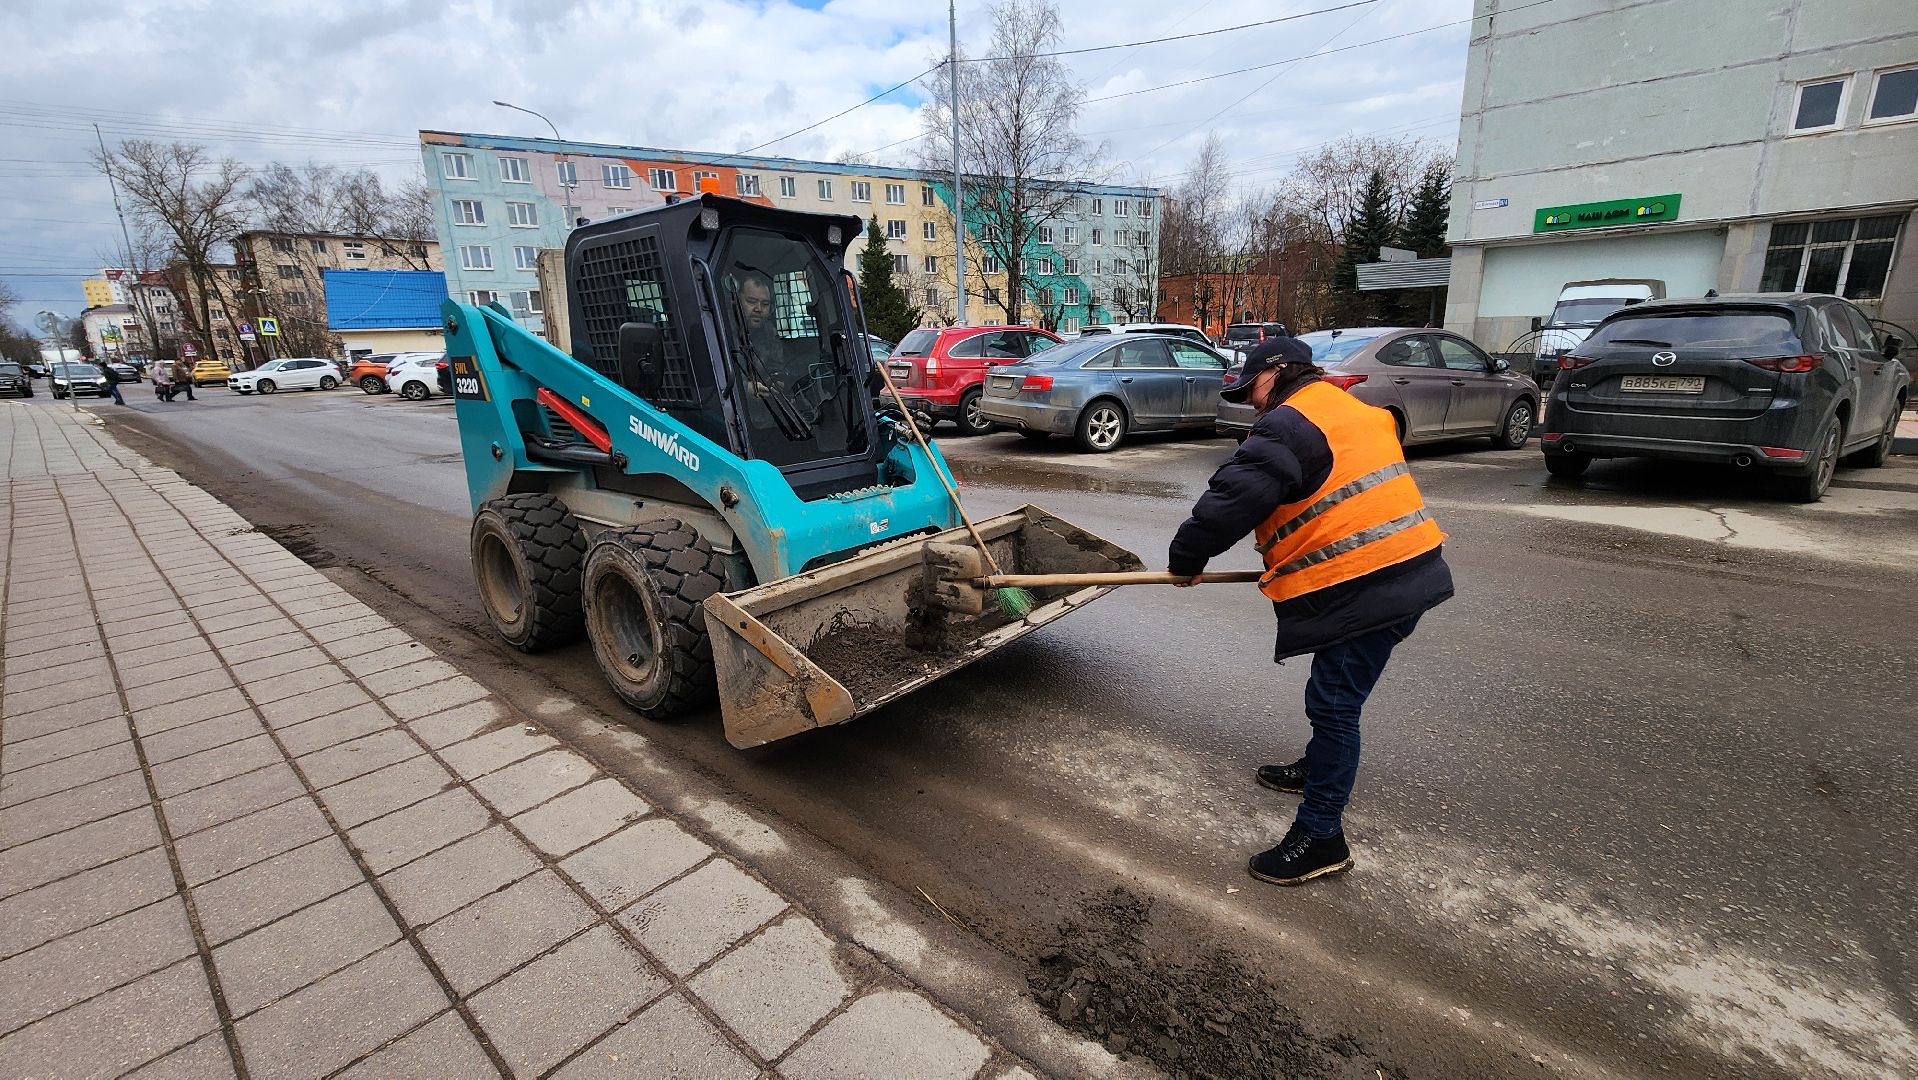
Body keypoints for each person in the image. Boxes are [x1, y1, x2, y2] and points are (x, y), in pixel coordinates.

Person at [1166, 337, 1454, 887]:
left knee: (1335, 705)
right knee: (1336, 700)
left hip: (1370, 585)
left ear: (1274, 374)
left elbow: (1229, 502)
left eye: (1251, 388)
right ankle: (1316, 768)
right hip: (1405, 568)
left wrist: (1186, 560)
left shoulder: (1288, 424)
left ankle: (1321, 836)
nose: (1251, 401)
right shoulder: (1351, 409)